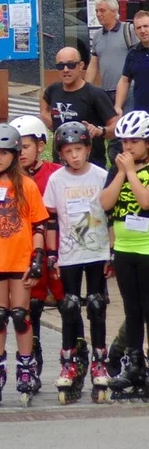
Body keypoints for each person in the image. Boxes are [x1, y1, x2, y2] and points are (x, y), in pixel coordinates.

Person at [0, 123, 49, 408]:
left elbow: (39, 225)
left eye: (3, 153)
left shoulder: (27, 186)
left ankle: (26, 366)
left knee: (20, 316)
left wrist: (37, 259)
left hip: (20, 260)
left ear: (14, 155)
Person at [43, 122, 111, 403]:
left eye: (78, 150)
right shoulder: (56, 180)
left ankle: (99, 361)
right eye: (68, 151)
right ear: (61, 154)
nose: (74, 156)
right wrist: (51, 255)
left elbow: (110, 214)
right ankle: (69, 361)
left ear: (88, 149)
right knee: (69, 306)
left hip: (97, 251)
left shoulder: (101, 176)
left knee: (96, 304)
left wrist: (112, 251)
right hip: (69, 253)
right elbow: (50, 221)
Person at [11, 115, 63, 381]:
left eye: (26, 147)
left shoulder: (55, 173)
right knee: (30, 308)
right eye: (16, 148)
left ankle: (74, 353)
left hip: (56, 250)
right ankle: (32, 353)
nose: (20, 153)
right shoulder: (8, 177)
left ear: (41, 146)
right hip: (25, 252)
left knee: (68, 304)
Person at [101, 110, 149, 399]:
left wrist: (131, 172)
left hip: (146, 249)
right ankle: (134, 364)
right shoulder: (117, 169)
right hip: (124, 249)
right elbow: (106, 203)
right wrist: (120, 172)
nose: (127, 147)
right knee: (132, 311)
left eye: (134, 141)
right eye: (123, 142)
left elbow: (145, 201)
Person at [41, 46, 117, 166]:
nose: (65, 70)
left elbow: (116, 126)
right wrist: (45, 116)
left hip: (91, 166)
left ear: (81, 66)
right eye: (60, 66)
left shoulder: (95, 94)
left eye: (71, 65)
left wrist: (100, 131)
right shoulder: (53, 90)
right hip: (60, 165)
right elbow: (44, 101)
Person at [88, 0, 136, 103]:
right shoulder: (97, 35)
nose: (98, 14)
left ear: (114, 12)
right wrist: (86, 88)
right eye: (96, 11)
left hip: (128, 90)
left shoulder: (129, 30)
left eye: (102, 10)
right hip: (105, 91)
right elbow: (93, 64)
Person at [114, 10, 149, 114]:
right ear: (134, 31)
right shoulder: (133, 53)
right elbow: (125, 80)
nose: (143, 30)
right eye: (139, 28)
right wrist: (118, 106)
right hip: (141, 115)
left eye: (146, 26)